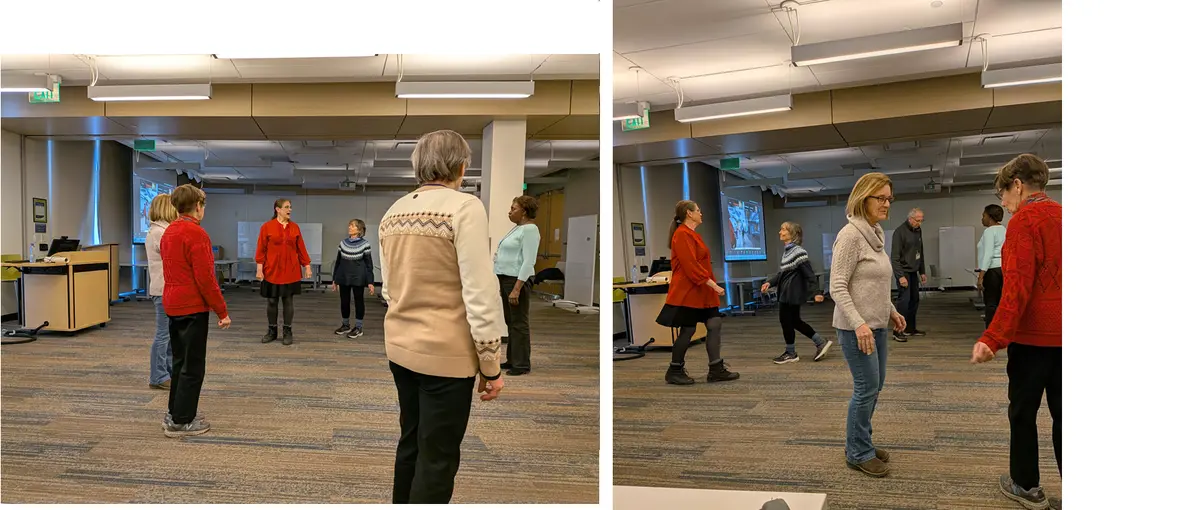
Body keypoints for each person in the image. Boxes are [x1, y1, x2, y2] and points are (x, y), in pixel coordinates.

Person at [377, 129, 507, 504]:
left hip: (400, 348)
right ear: (462, 166)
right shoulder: (464, 208)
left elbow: (389, 290)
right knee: (438, 457)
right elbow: (480, 293)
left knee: (412, 442)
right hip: (446, 357)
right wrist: (491, 363)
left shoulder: (393, 212)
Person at [969, 154, 1061, 510]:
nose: (1004, 202)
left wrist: (993, 337)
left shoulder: (1024, 223)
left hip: (1033, 340)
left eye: (1004, 193)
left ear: (1018, 186)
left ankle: (1026, 486)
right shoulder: (1066, 216)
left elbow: (1016, 289)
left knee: (1023, 412)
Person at [830, 172, 908, 478]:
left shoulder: (876, 234)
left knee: (875, 388)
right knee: (865, 389)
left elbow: (874, 284)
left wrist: (890, 311)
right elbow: (837, 286)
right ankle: (857, 451)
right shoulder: (850, 236)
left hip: (877, 326)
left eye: (890, 198)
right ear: (864, 199)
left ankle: (862, 440)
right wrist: (859, 323)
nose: (887, 203)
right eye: (881, 198)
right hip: (856, 329)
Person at [160, 184, 231, 437]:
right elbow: (206, 279)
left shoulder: (169, 231)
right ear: (198, 206)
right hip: (191, 306)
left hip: (173, 304)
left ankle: (175, 413)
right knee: (193, 366)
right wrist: (222, 311)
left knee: (180, 362)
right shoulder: (197, 234)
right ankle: (182, 421)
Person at [656, 200, 738, 385]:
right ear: (689, 213)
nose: (701, 213)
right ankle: (675, 370)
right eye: (698, 211)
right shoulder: (682, 235)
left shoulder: (693, 235)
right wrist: (713, 285)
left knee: (714, 324)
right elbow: (690, 266)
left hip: (702, 292)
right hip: (689, 292)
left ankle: (716, 369)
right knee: (688, 330)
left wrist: (709, 285)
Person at [761, 221, 832, 364]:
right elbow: (782, 274)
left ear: (792, 234)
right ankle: (818, 342)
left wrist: (817, 292)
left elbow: (809, 273)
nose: (780, 232)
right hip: (787, 293)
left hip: (791, 294)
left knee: (788, 321)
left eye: (783, 230)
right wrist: (770, 282)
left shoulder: (798, 252)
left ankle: (792, 352)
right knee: (793, 321)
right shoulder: (788, 251)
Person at [255, 198, 312, 345]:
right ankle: (272, 331)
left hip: (290, 271)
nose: (290, 210)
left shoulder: (294, 228)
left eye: (290, 207)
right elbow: (261, 248)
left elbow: (301, 248)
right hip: (271, 270)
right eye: (287, 207)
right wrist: (259, 269)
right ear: (277, 209)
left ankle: (287, 331)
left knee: (288, 301)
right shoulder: (267, 227)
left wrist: (307, 266)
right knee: (272, 301)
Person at [495, 195, 541, 376]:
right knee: (511, 322)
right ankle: (513, 359)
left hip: (517, 281)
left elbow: (529, 261)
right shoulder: (517, 229)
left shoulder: (530, 230)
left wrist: (516, 288)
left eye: (513, 209)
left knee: (519, 323)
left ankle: (521, 364)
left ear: (524, 211)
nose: (510, 211)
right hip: (506, 279)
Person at [145, 194, 177, 390]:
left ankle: (168, 371)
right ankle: (158, 375)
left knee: (171, 335)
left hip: (168, 290)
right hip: (163, 290)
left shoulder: (163, 231)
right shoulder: (159, 233)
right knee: (163, 335)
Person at [332, 218, 376, 339]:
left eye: (352, 226)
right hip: (343, 277)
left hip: (358, 278)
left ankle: (358, 327)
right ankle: (345, 325)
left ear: (359, 229)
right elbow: (338, 262)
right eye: (349, 225)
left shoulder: (365, 244)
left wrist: (370, 282)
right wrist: (335, 279)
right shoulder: (343, 243)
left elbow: (368, 265)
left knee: (358, 301)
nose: (349, 227)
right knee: (344, 301)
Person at [890, 208, 927, 341]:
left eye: (921, 221)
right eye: (917, 221)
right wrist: (900, 276)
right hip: (903, 271)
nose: (920, 223)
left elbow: (920, 251)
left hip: (913, 271)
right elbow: (894, 257)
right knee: (903, 302)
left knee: (914, 300)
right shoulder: (899, 232)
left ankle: (910, 328)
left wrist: (922, 271)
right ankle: (897, 331)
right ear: (910, 219)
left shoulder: (918, 230)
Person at [976, 204, 1007, 327]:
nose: (982, 218)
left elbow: (988, 254)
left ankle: (991, 332)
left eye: (983, 216)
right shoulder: (1004, 229)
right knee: (1001, 302)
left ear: (990, 217)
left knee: (991, 303)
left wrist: (981, 276)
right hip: (1003, 269)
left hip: (992, 270)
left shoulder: (989, 231)